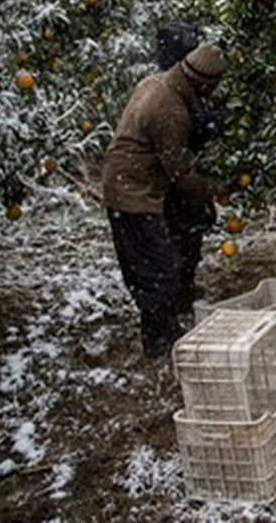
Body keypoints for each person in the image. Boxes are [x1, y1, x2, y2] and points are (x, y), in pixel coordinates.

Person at [102, 43, 225, 357]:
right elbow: (180, 174)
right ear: (202, 84)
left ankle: (166, 319)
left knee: (168, 254)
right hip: (133, 193)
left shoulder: (157, 82)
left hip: (131, 181)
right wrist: (217, 188)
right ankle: (158, 340)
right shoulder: (169, 110)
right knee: (156, 267)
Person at [154, 22, 223, 314]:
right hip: (170, 181)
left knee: (186, 237)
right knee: (177, 240)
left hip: (179, 179)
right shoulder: (168, 96)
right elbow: (176, 163)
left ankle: (182, 292)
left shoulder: (178, 85)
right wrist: (211, 187)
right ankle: (174, 302)